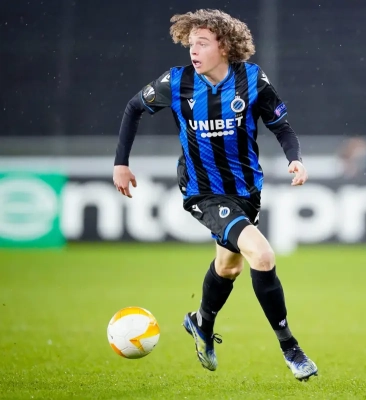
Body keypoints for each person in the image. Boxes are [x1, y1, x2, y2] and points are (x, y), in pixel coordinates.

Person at [112, 9, 318, 381]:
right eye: (191, 44)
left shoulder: (251, 79)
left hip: (246, 191)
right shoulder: (177, 82)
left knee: (229, 267)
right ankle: (291, 348)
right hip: (203, 191)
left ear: (224, 46)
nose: (193, 50)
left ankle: (201, 323)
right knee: (262, 255)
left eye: (202, 43)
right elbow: (133, 108)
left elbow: (282, 127)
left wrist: (295, 159)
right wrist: (120, 163)